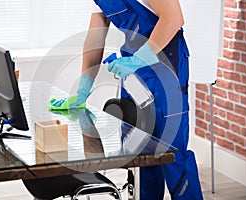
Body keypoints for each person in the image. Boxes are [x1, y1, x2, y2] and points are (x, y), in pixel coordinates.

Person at [51, 0, 203, 199]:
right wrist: (83, 86)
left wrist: (139, 60)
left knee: (171, 153)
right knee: (140, 153)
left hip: (167, 68)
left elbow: (173, 19)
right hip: (134, 74)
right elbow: (95, 39)